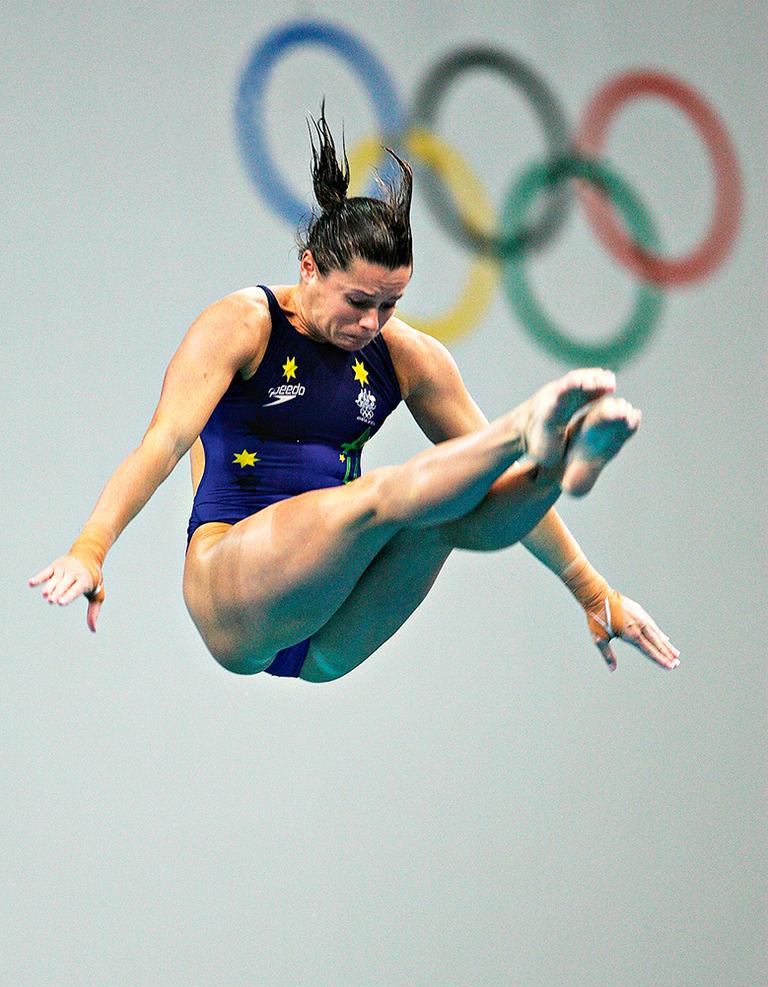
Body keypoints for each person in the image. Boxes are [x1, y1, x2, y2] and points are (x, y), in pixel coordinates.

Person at [29, 109, 679, 681]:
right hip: (232, 588)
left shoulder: (407, 357)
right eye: (359, 301)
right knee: (382, 495)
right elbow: (163, 444)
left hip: (329, 636)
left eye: (391, 305)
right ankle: (528, 427)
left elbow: (481, 480)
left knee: (446, 516)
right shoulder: (243, 327)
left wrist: (594, 594)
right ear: (309, 267)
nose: (372, 324)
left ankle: (560, 464)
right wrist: (91, 550)